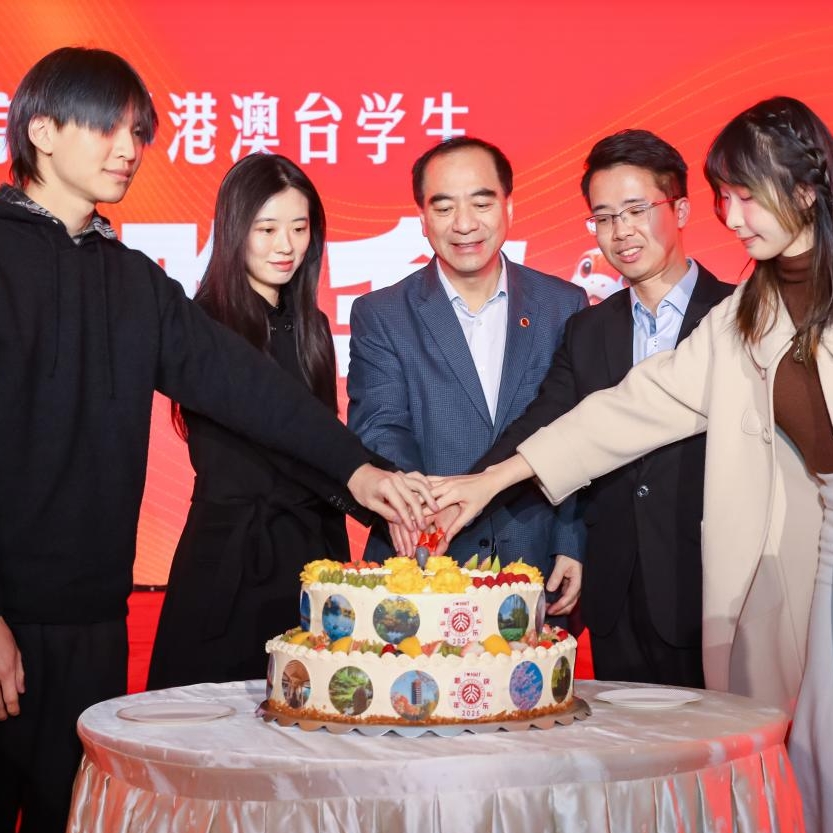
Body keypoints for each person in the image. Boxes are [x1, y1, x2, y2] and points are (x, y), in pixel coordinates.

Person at [0, 47, 432, 833]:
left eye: (139, 132)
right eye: (108, 128)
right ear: (43, 130)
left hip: (95, 616)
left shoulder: (134, 280)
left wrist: (360, 472)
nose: (130, 149)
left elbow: (247, 386)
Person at [429, 96, 833, 831]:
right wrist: (491, 479)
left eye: (747, 195)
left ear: (806, 189)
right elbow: (633, 406)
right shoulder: (750, 308)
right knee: (795, 761)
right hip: (798, 564)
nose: (733, 217)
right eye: (726, 197)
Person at [437, 130, 734, 686]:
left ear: (681, 209)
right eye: (603, 217)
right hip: (616, 592)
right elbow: (543, 421)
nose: (621, 232)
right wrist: (469, 486)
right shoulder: (588, 328)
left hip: (713, 587)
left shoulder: (738, 316)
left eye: (636, 210)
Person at [147, 154, 363, 688]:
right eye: (266, 229)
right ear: (234, 230)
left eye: (299, 228)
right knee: (210, 722)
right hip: (230, 560)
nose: (285, 245)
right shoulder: (201, 326)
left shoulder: (312, 326)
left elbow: (323, 441)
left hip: (312, 556)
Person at [347, 136, 588, 587]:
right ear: (422, 219)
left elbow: (576, 430)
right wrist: (415, 509)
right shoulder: (381, 313)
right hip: (422, 554)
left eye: (481, 204)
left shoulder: (563, 304)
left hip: (534, 553)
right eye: (444, 207)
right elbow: (381, 426)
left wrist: (570, 540)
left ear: (508, 207)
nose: (464, 224)